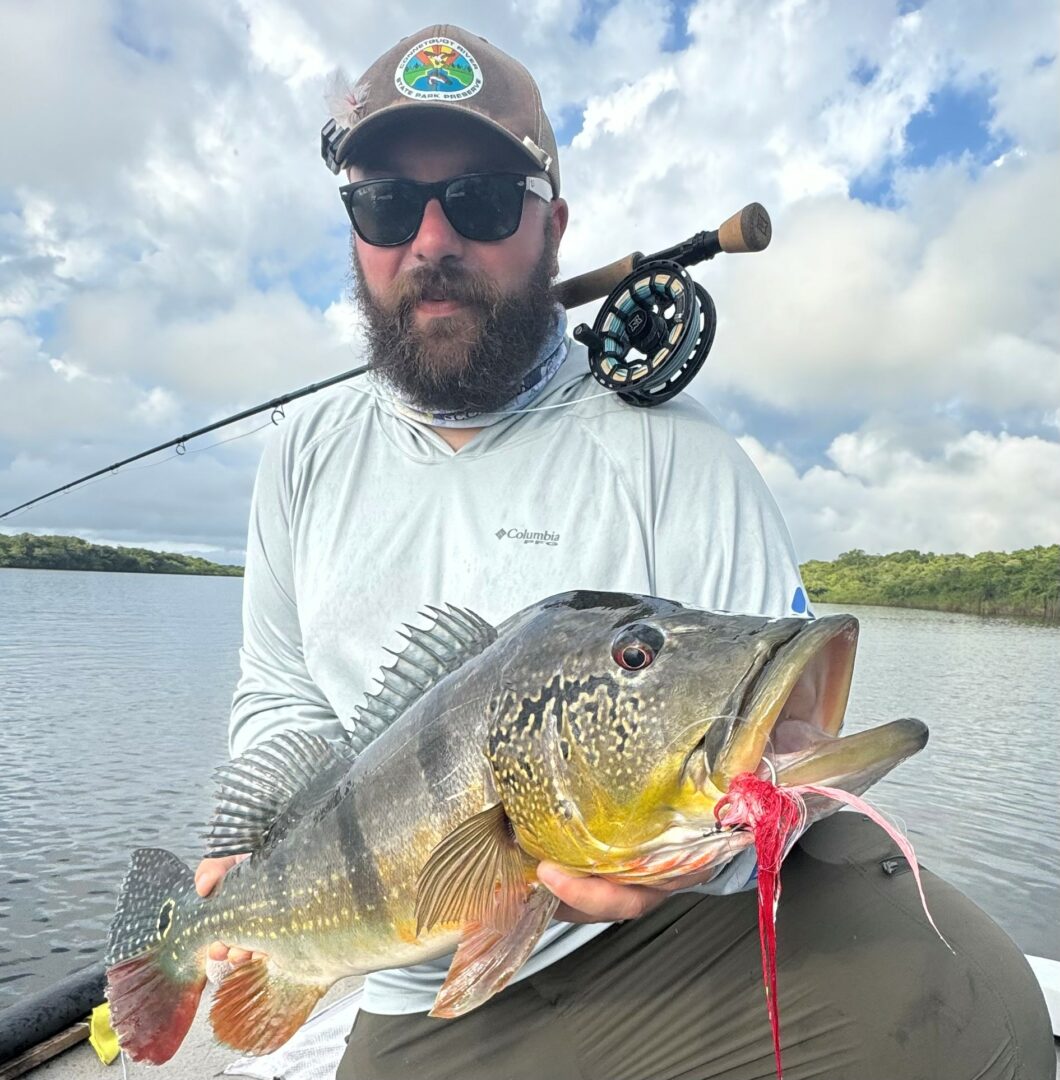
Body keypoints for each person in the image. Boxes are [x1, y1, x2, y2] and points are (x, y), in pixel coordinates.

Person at [195, 25, 1054, 1080]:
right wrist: (249, 851)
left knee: (973, 1002)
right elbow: (281, 695)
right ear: (354, 230)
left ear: (552, 227)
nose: (430, 240)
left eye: (480, 201)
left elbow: (778, 780)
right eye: (385, 205)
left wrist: (693, 858)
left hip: (666, 944)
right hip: (416, 988)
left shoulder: (679, 454)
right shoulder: (304, 456)